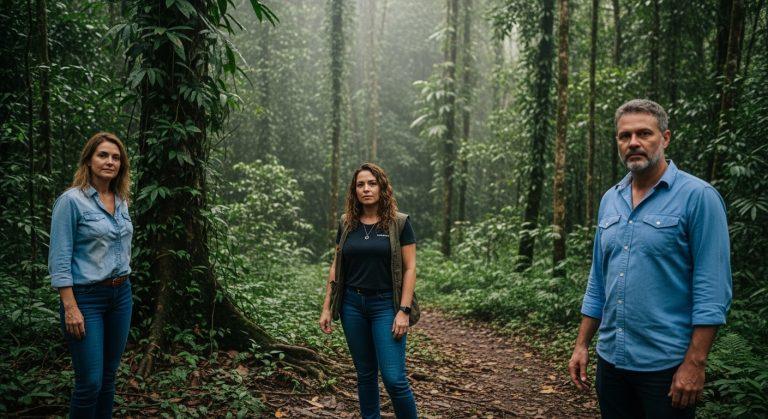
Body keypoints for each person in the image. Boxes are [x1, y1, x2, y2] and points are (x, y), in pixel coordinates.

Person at [567, 99, 732, 418]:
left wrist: (695, 363)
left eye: (644, 133)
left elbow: (712, 288)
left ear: (665, 138)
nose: (633, 143)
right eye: (624, 136)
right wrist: (582, 344)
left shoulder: (698, 198)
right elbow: (598, 280)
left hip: (666, 369)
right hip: (611, 364)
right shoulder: (610, 200)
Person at [319, 162, 419, 419]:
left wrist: (403, 311)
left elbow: (410, 269)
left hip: (386, 305)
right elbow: (336, 264)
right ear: (355, 190)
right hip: (352, 305)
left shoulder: (399, 223)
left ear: (381, 187)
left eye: (372, 183)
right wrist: (327, 306)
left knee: (394, 379)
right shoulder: (347, 223)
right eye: (361, 184)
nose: (366, 189)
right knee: (365, 375)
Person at [49, 132, 134, 418]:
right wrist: (70, 307)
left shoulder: (121, 199)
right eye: (103, 155)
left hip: (121, 295)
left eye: (116, 157)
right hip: (86, 299)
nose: (110, 161)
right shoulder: (71, 202)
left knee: (109, 377)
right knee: (90, 382)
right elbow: (59, 260)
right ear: (88, 160)